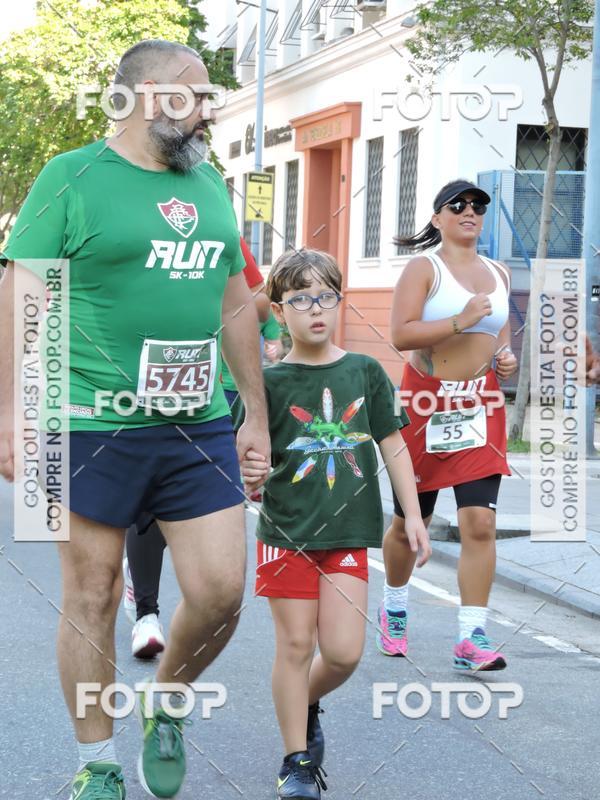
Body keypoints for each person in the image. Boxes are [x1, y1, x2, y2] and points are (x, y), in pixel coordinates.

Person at [0, 39, 269, 800]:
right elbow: (22, 295)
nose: (210, 110)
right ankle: (98, 763)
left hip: (196, 422)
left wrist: (254, 413)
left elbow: (234, 301)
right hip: (84, 418)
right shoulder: (72, 177)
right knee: (93, 591)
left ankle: (167, 699)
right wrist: (9, 410)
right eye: (200, 94)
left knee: (220, 591)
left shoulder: (210, 183)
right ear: (152, 97)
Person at [238, 248, 431, 799]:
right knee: (295, 645)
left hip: (350, 535)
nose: (316, 309)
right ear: (280, 310)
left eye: (326, 296)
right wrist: (247, 468)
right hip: (286, 533)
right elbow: (246, 452)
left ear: (339, 300)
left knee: (344, 652)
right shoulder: (269, 382)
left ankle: (306, 701)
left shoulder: (365, 371)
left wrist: (411, 515)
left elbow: (392, 444)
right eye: (301, 299)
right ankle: (295, 761)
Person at [377, 179, 518, 672]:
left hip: (480, 405)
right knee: (406, 523)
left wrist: (505, 359)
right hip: (425, 403)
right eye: (457, 205)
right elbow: (400, 334)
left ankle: (471, 637)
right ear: (437, 218)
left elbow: (500, 334)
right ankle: (395, 606)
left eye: (478, 205)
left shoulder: (497, 272)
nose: (470, 211)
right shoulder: (425, 268)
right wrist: (459, 321)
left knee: (479, 522)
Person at [124, 237, 270, 660]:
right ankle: (146, 613)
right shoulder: (127, 218)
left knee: (202, 511)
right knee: (149, 501)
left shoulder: (214, 224)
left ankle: (146, 580)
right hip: (141, 386)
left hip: (217, 391)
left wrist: (209, 299)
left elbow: (256, 304)